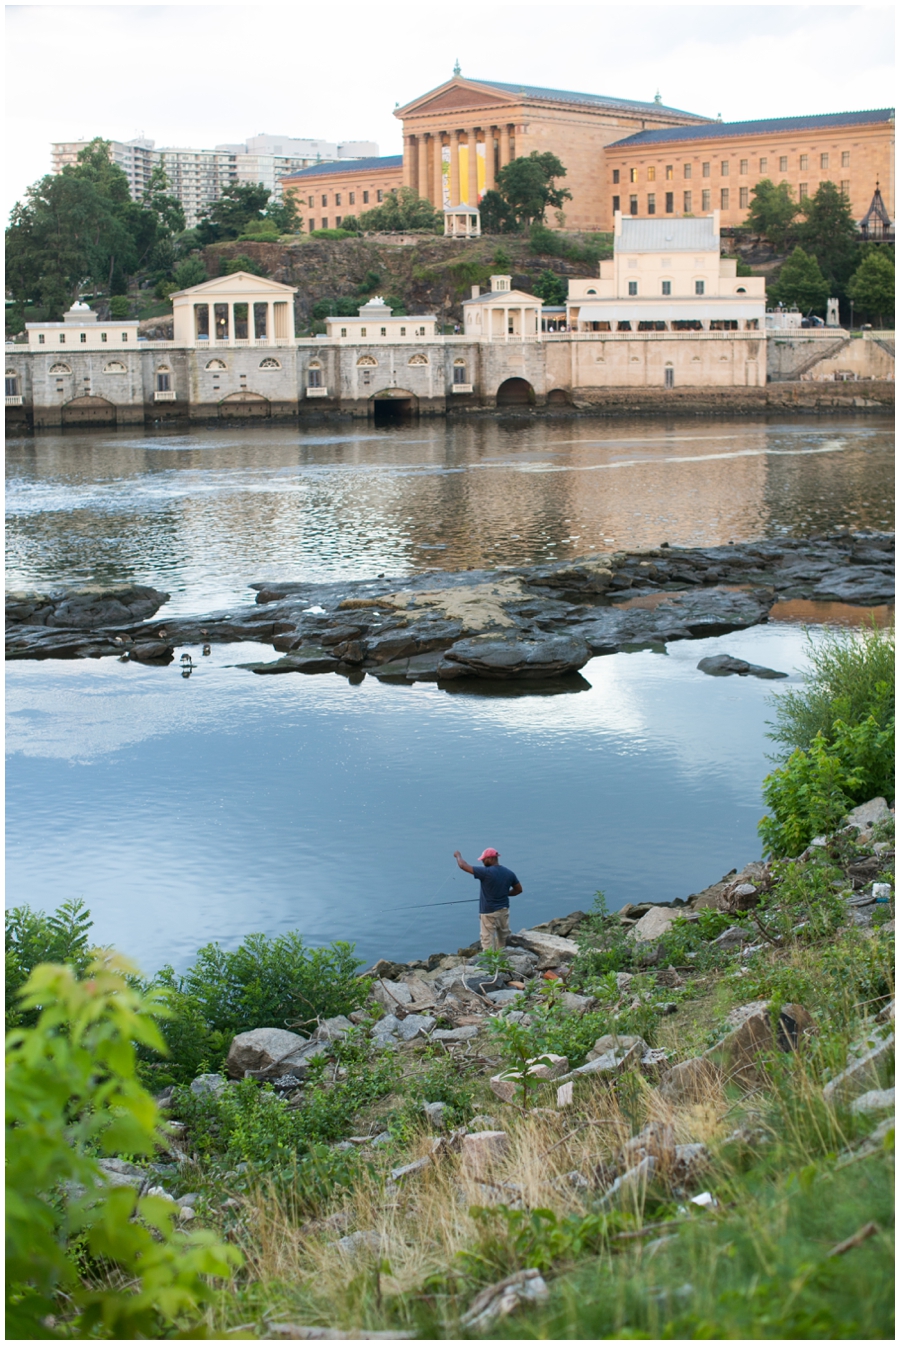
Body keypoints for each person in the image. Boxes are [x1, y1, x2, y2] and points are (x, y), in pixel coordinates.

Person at [453, 847, 522, 951]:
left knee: (487, 941)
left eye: (483, 859)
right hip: (504, 911)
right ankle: (503, 960)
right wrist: (505, 893)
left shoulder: (486, 872)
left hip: (488, 913)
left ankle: (491, 964)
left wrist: (458, 855)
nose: (482, 861)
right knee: (504, 939)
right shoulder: (509, 873)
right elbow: (518, 890)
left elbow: (463, 865)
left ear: (490, 858)